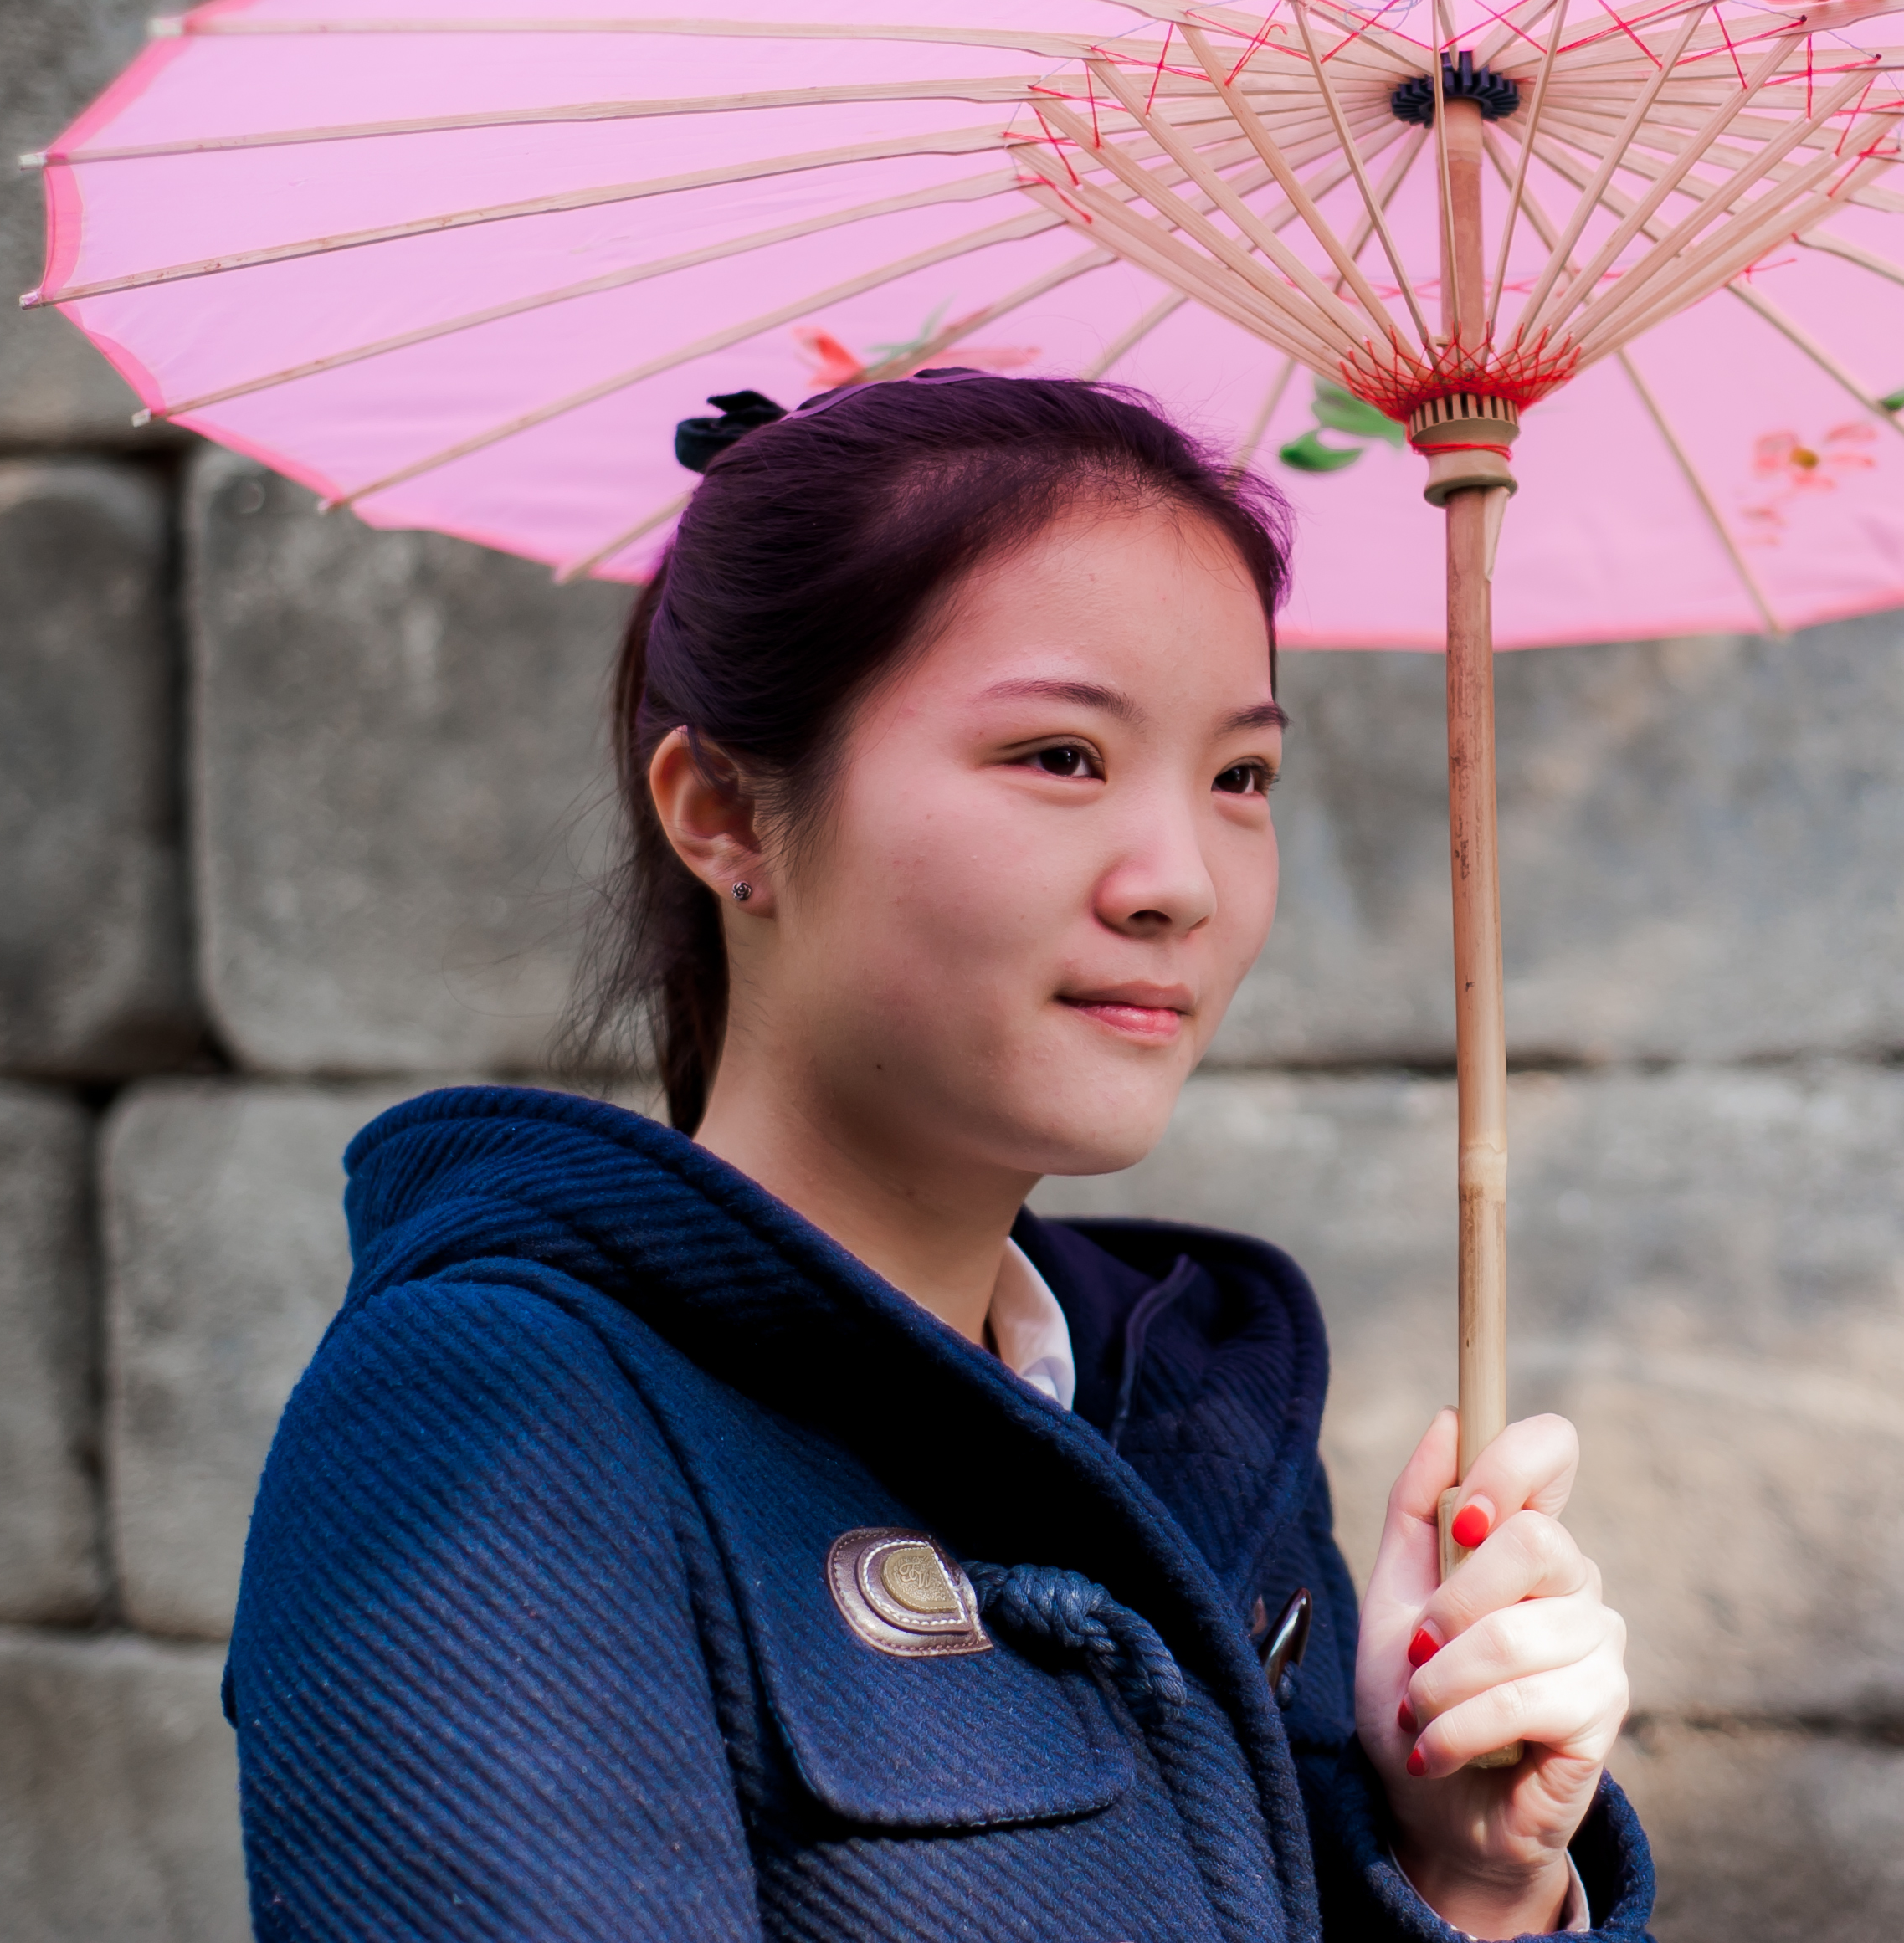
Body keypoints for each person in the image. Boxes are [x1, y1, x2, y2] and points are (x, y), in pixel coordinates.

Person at [224, 369, 1649, 1940]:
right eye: (1059, 756)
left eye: (1241, 777)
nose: (1179, 880)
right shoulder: (499, 1424)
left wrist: (1471, 1875)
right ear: (724, 816)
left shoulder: (1192, 1426)